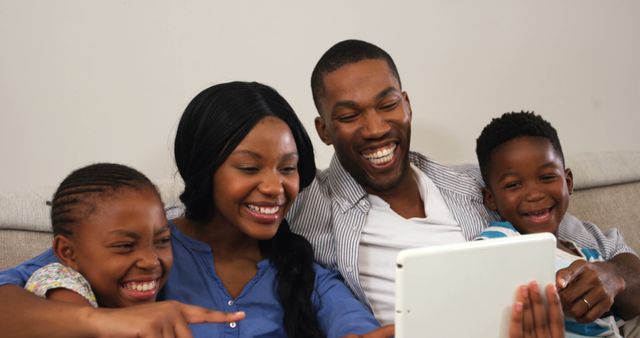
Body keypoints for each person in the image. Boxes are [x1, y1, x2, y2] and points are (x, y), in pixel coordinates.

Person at [287, 39, 640, 333]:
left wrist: (613, 275)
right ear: (323, 131)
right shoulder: (306, 203)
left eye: (388, 105)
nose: (376, 128)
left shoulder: (482, 186)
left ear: (407, 105)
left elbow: (605, 249)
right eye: (349, 116)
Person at [0, 81, 393, 338]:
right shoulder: (142, 251)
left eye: (287, 168)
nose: (275, 187)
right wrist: (106, 322)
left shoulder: (305, 271)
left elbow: (354, 328)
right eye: (249, 167)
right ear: (206, 169)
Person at [474, 111, 639, 337]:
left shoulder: (589, 255)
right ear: (490, 198)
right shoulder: (499, 241)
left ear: (568, 182)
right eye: (513, 185)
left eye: (547, 178)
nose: (534, 194)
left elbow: (625, 311)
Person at [24, 163, 173, 308]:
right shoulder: (57, 280)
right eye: (125, 245)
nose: (151, 262)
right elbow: (80, 324)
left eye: (163, 240)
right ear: (68, 252)